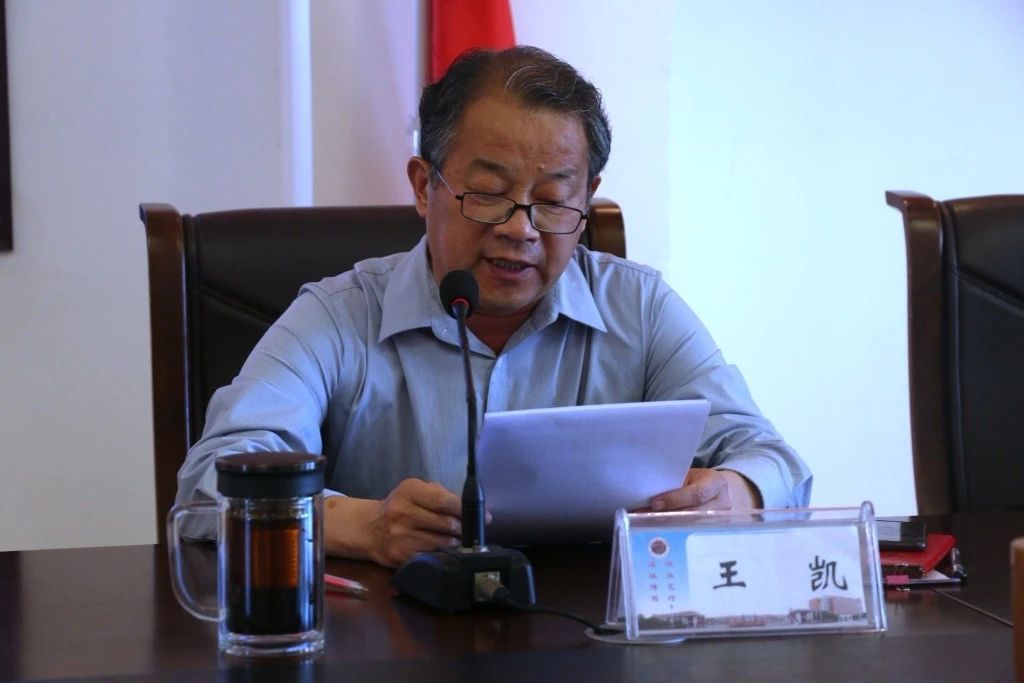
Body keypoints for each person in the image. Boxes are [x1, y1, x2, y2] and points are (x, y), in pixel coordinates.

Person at [176, 46, 812, 568]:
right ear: (424, 186)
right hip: (394, 646)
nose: (521, 229)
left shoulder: (639, 309)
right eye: (487, 194)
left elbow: (774, 460)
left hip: (593, 646)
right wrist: (362, 525)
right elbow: (210, 484)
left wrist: (736, 493)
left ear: (587, 197)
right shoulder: (339, 317)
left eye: (553, 202)